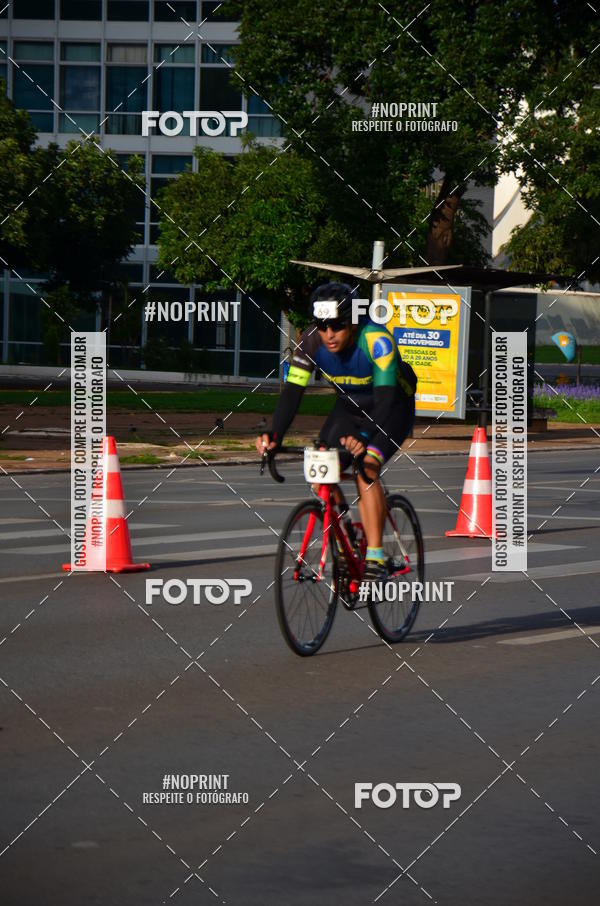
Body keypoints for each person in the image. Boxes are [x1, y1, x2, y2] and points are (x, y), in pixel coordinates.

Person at [256, 282, 417, 582]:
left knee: (366, 467)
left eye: (338, 325)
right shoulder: (311, 341)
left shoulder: (376, 340)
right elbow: (292, 393)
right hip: (349, 407)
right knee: (320, 469)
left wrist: (365, 438)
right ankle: (345, 542)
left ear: (353, 322)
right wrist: (274, 435)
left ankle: (376, 556)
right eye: (323, 325)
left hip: (392, 406)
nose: (329, 334)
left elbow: (384, 401)